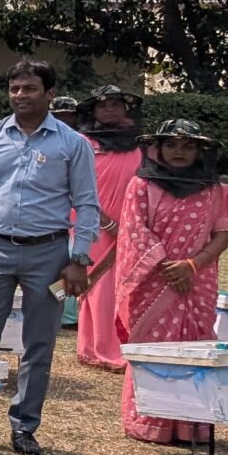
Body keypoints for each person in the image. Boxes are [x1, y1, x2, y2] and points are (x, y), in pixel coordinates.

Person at [0, 60, 98, 455]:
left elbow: (87, 204)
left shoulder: (72, 144)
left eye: (30, 88)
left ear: (49, 93)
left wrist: (79, 259)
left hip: (50, 256)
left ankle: (25, 426)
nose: (20, 95)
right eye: (15, 88)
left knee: (39, 343)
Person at [115, 120, 228, 445]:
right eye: (171, 145)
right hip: (153, 281)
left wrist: (191, 266)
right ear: (158, 149)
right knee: (153, 348)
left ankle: (191, 425)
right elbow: (135, 231)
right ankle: (149, 422)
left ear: (200, 151)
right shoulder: (141, 185)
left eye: (188, 145)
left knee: (194, 347)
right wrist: (169, 270)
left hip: (197, 282)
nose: (179, 151)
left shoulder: (214, 190)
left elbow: (220, 236)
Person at [75, 84, 142, 371]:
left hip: (135, 227)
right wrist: (109, 223)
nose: (110, 109)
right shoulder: (82, 142)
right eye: (103, 105)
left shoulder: (141, 143)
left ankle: (125, 344)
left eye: (116, 103)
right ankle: (98, 349)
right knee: (98, 287)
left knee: (127, 284)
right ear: (93, 111)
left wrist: (132, 225)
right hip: (93, 224)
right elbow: (75, 186)